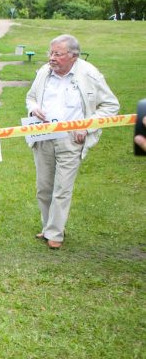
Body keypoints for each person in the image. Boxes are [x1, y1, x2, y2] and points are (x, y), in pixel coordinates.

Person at [26, 34, 119, 249]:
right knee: (44, 187)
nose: (52, 58)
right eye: (50, 53)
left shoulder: (89, 73)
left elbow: (111, 106)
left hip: (71, 140)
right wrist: (33, 108)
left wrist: (87, 125)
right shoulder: (43, 72)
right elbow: (30, 97)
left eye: (57, 54)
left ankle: (55, 234)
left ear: (73, 56)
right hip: (44, 136)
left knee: (62, 187)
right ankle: (48, 226)